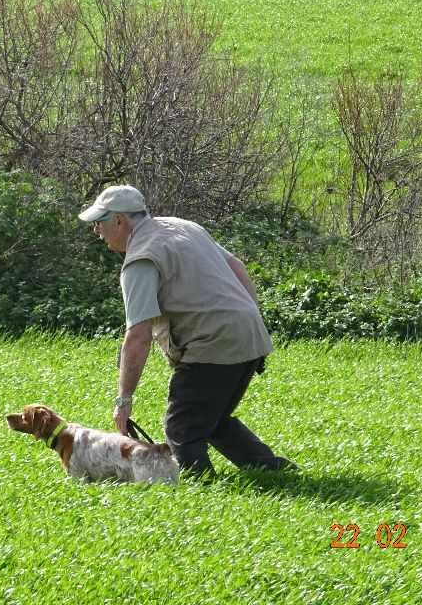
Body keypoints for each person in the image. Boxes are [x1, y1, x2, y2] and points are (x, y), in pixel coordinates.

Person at [79, 184, 296, 479]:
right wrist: (249, 318)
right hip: (250, 334)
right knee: (212, 419)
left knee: (181, 428)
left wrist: (124, 400)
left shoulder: (141, 261)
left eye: (99, 222)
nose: (96, 231)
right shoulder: (183, 227)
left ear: (119, 220)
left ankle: (200, 489)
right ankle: (273, 471)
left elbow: (139, 335)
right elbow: (237, 266)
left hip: (210, 343)